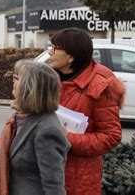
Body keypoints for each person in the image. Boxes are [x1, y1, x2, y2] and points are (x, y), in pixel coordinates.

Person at [48, 28, 125, 195]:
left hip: (79, 179)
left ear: (70, 57)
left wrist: (67, 138)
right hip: (47, 171)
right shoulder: (48, 79)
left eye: (55, 48)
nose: (49, 52)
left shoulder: (100, 87)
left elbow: (111, 136)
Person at [0, 60, 70, 195]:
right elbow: (9, 152)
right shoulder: (19, 118)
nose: (13, 80)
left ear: (31, 88)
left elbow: (54, 188)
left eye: (17, 78)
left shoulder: (47, 130)